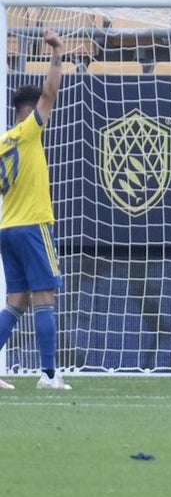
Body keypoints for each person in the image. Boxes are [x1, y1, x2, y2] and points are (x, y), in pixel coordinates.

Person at [0, 30, 71, 391]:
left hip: (7, 228)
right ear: (27, 114)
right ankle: (48, 375)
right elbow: (50, 93)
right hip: (32, 225)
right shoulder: (29, 131)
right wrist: (56, 54)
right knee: (45, 298)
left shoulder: (1, 143)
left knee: (17, 300)